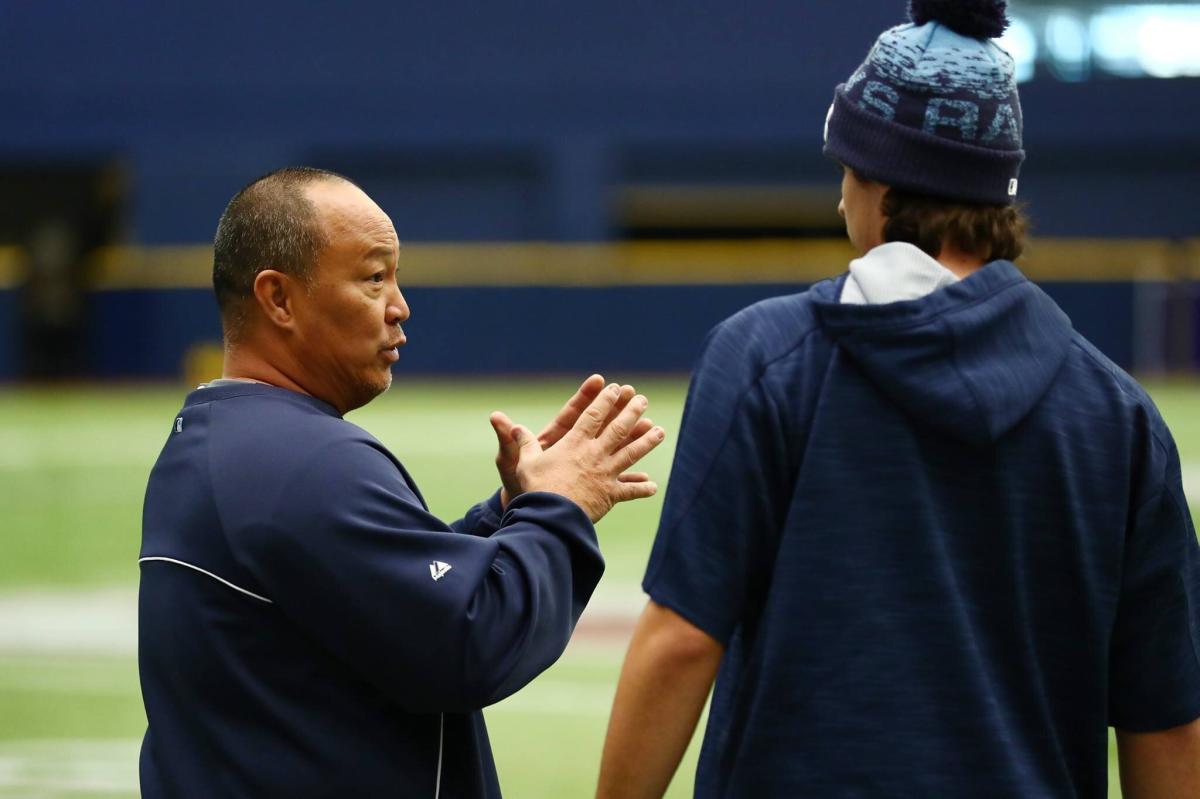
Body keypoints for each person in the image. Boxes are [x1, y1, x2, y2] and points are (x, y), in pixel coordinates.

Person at [596, 2, 1200, 797]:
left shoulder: (767, 359)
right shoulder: (1120, 418)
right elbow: (1167, 722)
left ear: (875, 176)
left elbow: (680, 640)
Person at [137, 166, 666, 798]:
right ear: (278, 298)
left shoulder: (215, 438)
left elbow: (373, 596)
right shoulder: (308, 460)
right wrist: (560, 507)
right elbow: (473, 640)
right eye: (372, 277)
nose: (399, 305)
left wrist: (510, 512)